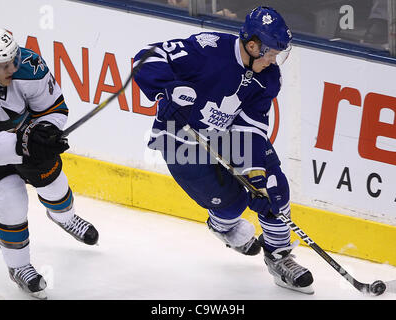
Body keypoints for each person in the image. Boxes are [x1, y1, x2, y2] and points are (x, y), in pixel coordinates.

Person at [134, 6, 314, 294]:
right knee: (232, 205)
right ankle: (223, 226)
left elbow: (251, 128)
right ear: (252, 45)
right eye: (270, 52)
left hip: (229, 137)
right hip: (180, 142)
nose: (273, 60)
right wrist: (167, 90)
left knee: (271, 186)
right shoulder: (208, 50)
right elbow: (147, 56)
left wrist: (255, 174)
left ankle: (279, 257)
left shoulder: (268, 77)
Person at [0, 24, 99, 299]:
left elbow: (54, 109)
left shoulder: (30, 66)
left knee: (54, 184)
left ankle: (64, 217)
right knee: (10, 195)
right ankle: (19, 267)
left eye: (14, 58)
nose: (13, 68)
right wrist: (26, 142)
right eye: (4, 65)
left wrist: (46, 132)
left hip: (23, 137)